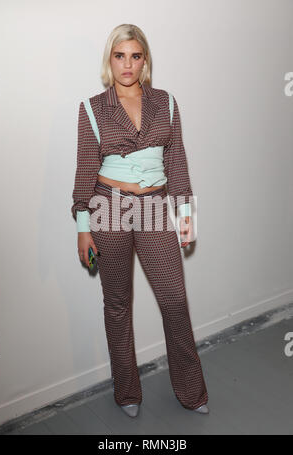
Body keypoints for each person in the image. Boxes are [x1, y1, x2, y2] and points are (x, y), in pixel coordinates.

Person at [71, 24, 209, 418]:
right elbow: (84, 170)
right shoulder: (92, 108)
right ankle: (126, 390)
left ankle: (192, 392)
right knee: (117, 304)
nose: (127, 64)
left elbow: (177, 160)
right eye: (119, 56)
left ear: (145, 60)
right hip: (107, 209)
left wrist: (185, 215)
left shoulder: (165, 102)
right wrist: (83, 228)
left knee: (175, 300)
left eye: (135, 55)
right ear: (109, 59)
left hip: (153, 208)